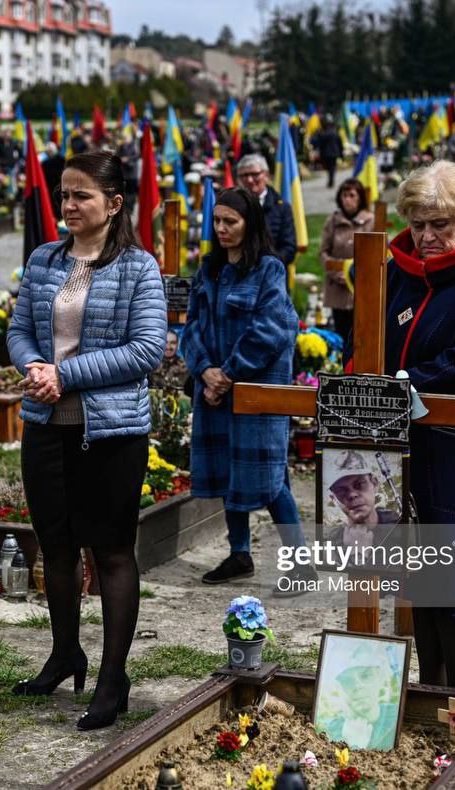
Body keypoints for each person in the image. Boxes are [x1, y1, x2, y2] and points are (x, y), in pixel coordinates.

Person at [7, 151, 166, 731]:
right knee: (56, 546)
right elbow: (19, 330)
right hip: (46, 425)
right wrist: (35, 367)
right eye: (63, 195)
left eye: (81, 196)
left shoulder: (137, 268)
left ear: (114, 203)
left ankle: (111, 676)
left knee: (112, 551)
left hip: (110, 431)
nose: (68, 205)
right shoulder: (45, 259)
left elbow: (146, 350)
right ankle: (64, 652)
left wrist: (65, 374)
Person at [343, 160, 455, 689]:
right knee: (420, 572)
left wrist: (400, 383)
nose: (427, 236)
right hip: (406, 447)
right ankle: (428, 692)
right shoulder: (396, 269)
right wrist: (359, 383)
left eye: (440, 223)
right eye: (419, 223)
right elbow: (370, 338)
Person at [179, 187, 313, 592]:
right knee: (225, 472)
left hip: (257, 393)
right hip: (214, 391)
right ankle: (240, 554)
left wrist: (228, 374)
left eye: (230, 222)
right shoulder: (209, 270)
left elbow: (272, 329)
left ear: (249, 223)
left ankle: (301, 564)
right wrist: (205, 371)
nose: (221, 229)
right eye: (217, 221)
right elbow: (193, 328)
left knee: (270, 478)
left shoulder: (269, 269)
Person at [319, 179, 375, 337]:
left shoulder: (371, 221)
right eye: (344, 195)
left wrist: (354, 275)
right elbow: (323, 253)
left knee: (363, 336)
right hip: (338, 289)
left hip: (362, 289)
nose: (347, 199)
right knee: (342, 335)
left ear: (360, 198)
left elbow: (379, 255)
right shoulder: (332, 221)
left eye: (352, 195)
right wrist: (337, 273)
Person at [324, 449, 401, 547]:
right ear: (334, 499)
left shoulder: (400, 526)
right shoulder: (331, 544)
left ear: (375, 484)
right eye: (341, 490)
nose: (352, 495)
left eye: (359, 484)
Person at [235, 154, 297, 267]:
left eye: (255, 174)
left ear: (266, 175)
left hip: (272, 275)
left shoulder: (282, 208)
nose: (249, 180)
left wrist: (266, 266)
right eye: (244, 175)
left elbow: (289, 248)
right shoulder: (231, 207)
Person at [312, 114, 345, 188]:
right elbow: (340, 144)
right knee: (331, 167)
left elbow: (318, 143)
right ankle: (331, 179)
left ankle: (331, 179)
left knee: (330, 167)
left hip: (327, 153)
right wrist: (341, 154)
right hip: (332, 153)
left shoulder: (323, 133)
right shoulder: (334, 132)